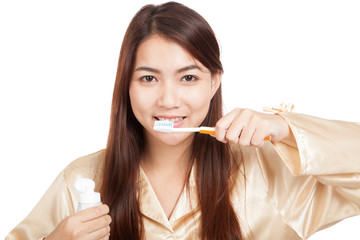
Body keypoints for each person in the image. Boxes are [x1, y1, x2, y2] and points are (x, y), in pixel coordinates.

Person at [6, 2, 360, 240]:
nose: (168, 100)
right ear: (125, 86)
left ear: (214, 82)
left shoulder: (268, 172)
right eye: (148, 78)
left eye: (188, 78)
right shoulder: (80, 182)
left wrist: (285, 128)